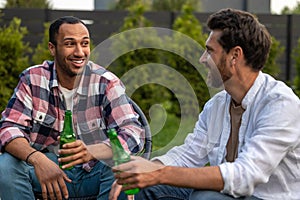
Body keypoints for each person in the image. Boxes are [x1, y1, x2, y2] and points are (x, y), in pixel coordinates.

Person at [109, 8, 300, 200]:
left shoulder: (280, 104)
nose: (202, 59)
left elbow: (246, 175)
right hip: (229, 194)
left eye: (209, 51)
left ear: (234, 56)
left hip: (265, 197)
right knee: (140, 189)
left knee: (204, 198)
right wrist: (148, 169)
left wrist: (158, 174)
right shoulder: (217, 105)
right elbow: (190, 155)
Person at [0, 16, 145, 200]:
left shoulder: (106, 82)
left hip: (94, 172)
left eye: (84, 44)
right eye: (70, 44)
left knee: (123, 165)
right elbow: (9, 128)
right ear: (52, 48)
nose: (79, 52)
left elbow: (133, 132)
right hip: (46, 170)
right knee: (5, 166)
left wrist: (93, 151)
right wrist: (38, 159)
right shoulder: (33, 79)